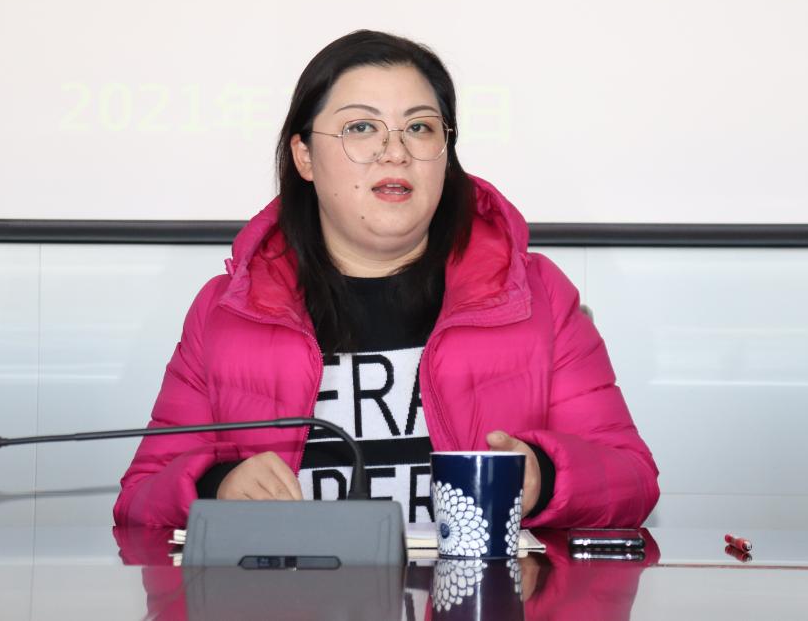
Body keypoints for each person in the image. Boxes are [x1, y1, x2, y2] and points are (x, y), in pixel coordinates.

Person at [114, 30, 659, 529]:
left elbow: (632, 480)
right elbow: (141, 498)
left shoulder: (535, 296)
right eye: (361, 128)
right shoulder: (228, 311)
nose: (395, 151)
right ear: (304, 156)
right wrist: (216, 489)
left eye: (419, 128)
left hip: (477, 594)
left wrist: (542, 477)